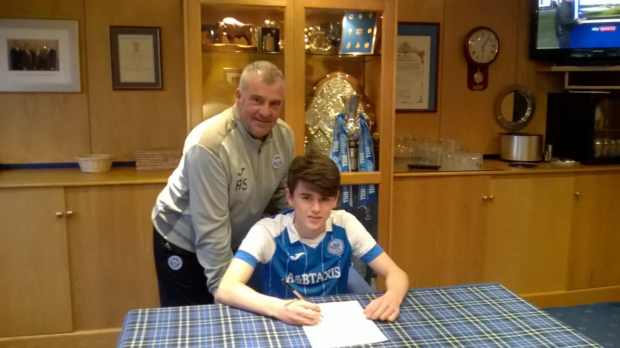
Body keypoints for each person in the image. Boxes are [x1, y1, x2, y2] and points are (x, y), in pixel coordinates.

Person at [152, 61, 294, 307]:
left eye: (275, 103)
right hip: (182, 241)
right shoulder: (208, 146)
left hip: (231, 238)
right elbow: (211, 231)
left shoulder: (285, 136)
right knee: (193, 326)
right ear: (238, 97)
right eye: (257, 100)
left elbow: (283, 200)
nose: (266, 111)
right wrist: (226, 291)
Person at [215, 153, 409, 326]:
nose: (316, 208)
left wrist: (393, 296)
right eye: (307, 198)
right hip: (282, 322)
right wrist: (280, 308)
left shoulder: (346, 224)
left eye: (325, 199)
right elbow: (226, 289)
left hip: (333, 324)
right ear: (290, 197)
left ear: (335, 199)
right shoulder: (267, 231)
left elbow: (396, 272)